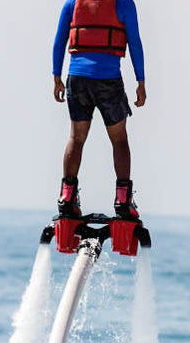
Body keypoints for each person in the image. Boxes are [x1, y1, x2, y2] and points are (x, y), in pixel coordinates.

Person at [51, 0, 145, 220]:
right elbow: (135, 43)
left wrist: (56, 76)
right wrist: (140, 81)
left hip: (77, 79)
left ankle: (67, 197)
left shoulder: (73, 3)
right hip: (108, 80)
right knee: (119, 140)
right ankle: (123, 201)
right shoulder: (124, 4)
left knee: (76, 138)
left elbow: (59, 41)